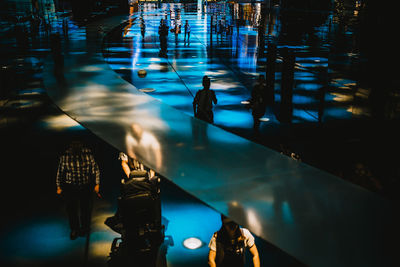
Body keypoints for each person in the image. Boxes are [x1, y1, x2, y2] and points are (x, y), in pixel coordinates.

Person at [56, 139, 100, 240]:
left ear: (81, 145)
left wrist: (97, 184)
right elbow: (60, 172)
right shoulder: (65, 157)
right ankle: (74, 229)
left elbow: (95, 170)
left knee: (85, 209)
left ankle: (84, 228)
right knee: (72, 210)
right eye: (74, 144)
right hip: (71, 187)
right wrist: (58, 186)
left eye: (78, 144)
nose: (76, 146)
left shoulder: (88, 155)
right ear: (71, 145)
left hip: (85, 186)